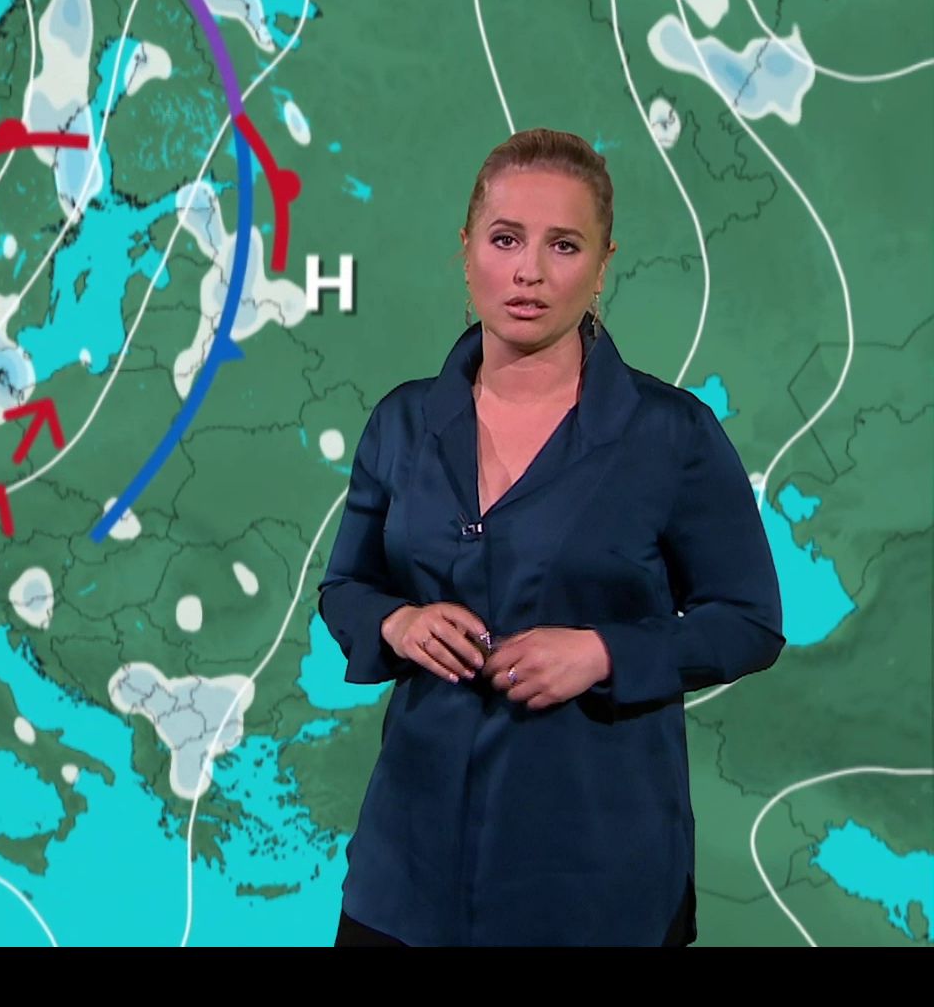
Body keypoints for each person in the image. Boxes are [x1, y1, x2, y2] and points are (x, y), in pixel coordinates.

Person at [317, 127, 785, 947]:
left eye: (563, 245)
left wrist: (604, 653)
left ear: (603, 265)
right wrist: (398, 622)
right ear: (467, 251)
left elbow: (748, 621)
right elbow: (346, 588)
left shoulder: (671, 435)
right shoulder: (401, 423)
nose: (529, 270)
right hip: (408, 880)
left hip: (594, 887)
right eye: (506, 239)